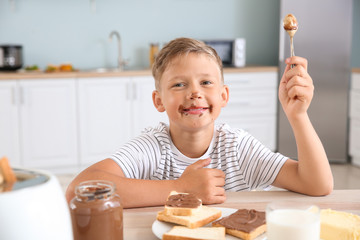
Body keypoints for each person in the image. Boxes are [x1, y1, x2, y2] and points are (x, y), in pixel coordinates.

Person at [66, 37, 333, 208]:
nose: (195, 93)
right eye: (179, 84)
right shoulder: (151, 147)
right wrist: (181, 189)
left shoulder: (237, 147)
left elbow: (317, 185)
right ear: (159, 101)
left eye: (206, 82)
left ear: (223, 95)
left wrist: (297, 116)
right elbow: (77, 190)